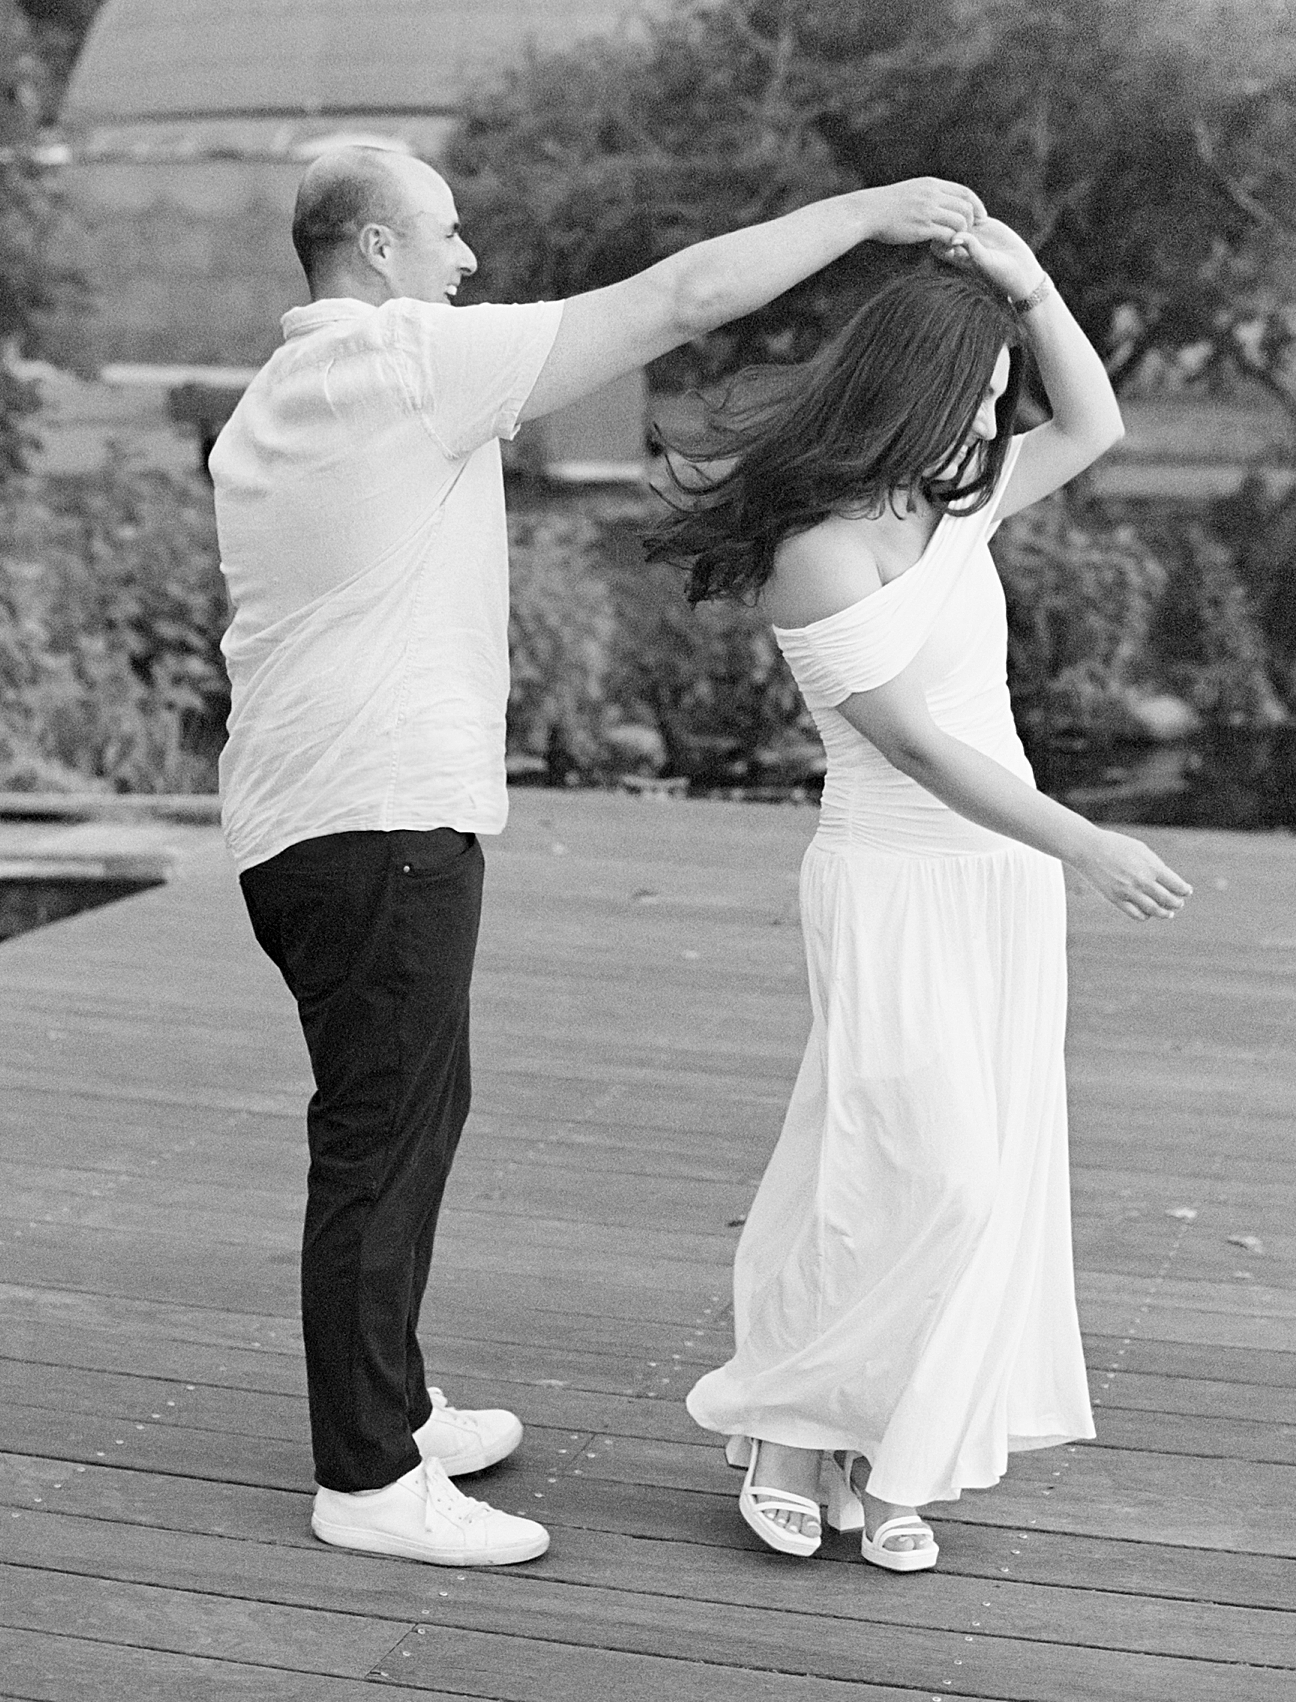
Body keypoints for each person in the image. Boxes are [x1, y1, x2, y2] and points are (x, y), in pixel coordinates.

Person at [208, 143, 987, 1567]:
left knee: (406, 1117)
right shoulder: (400, 360)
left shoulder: (280, 395)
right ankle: (369, 1479)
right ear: (377, 251)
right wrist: (878, 211)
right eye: (446, 234)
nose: (469, 260)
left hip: (308, 819)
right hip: (377, 824)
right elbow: (682, 293)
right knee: (380, 1139)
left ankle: (389, 1404)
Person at [648, 218, 1192, 1573]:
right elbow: (916, 744)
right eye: (985, 384)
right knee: (911, 1169)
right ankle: (786, 1418)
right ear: (918, 385)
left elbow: (1099, 414)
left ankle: (896, 1447)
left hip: (997, 883)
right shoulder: (818, 547)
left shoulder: (960, 502)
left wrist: (1026, 279)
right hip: (893, 876)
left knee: (981, 1179)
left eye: (1006, 388)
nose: (1006, 412)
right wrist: (1089, 838)